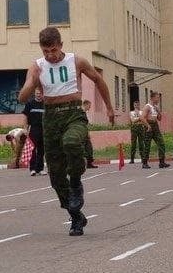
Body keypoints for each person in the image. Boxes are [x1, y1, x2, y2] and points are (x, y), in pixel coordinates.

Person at [18, 26, 114, 236]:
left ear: (61, 45)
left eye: (53, 50)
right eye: (46, 51)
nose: (50, 55)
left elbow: (98, 81)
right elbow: (23, 97)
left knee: (71, 142)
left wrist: (109, 107)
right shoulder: (37, 66)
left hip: (73, 113)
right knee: (56, 176)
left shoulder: (76, 61)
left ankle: (77, 181)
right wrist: (32, 82)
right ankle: (76, 216)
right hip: (50, 117)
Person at [139, 91, 170, 169]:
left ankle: (162, 162)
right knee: (147, 145)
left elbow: (159, 119)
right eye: (157, 98)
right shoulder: (147, 106)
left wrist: (159, 111)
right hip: (148, 125)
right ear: (152, 98)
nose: (158, 99)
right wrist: (147, 125)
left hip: (155, 125)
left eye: (159, 98)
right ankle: (145, 163)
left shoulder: (156, 107)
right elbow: (142, 118)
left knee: (161, 143)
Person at [22, 87, 45, 175]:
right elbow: (25, 116)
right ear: (34, 94)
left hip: (44, 129)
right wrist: (25, 128)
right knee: (32, 149)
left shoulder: (45, 104)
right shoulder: (30, 104)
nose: (39, 95)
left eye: (40, 93)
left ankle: (40, 169)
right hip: (33, 128)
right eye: (37, 93)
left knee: (41, 150)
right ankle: (32, 169)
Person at [81, 100, 98, 168]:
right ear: (86, 104)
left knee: (89, 148)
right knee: (85, 148)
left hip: (85, 132)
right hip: (82, 133)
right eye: (89, 106)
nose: (90, 108)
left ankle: (89, 163)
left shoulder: (84, 113)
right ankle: (85, 163)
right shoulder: (81, 112)